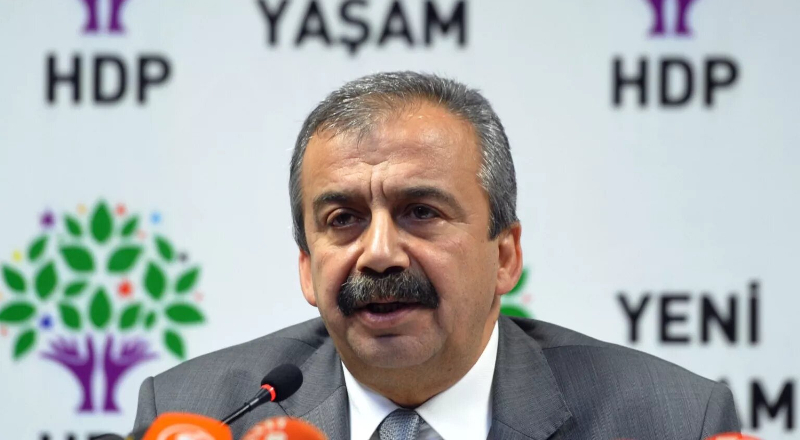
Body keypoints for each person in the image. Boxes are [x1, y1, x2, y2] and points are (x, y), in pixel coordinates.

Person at [133, 72, 740, 440]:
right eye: (342, 220)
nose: (378, 254)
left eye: (420, 212)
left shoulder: (671, 421)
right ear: (306, 269)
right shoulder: (200, 418)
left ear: (505, 256)